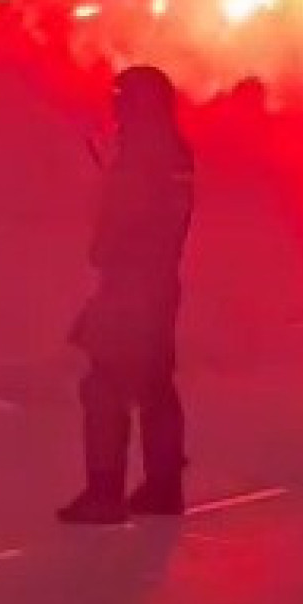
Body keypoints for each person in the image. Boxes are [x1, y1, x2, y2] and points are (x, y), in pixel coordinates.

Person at [59, 66, 196, 524]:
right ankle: (163, 485)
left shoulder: (141, 156)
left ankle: (104, 492)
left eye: (122, 97)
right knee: (155, 384)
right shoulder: (176, 152)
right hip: (161, 282)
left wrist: (101, 217)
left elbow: (115, 229)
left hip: (129, 285)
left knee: (104, 385)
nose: (115, 104)